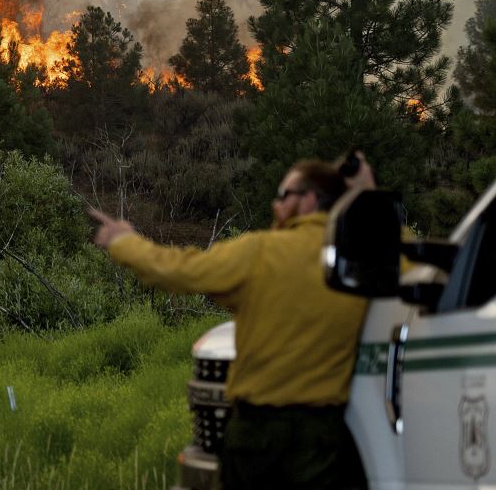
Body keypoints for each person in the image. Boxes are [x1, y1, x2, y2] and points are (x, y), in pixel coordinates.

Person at [89, 158, 371, 490]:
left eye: (283, 194)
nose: (274, 203)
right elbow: (417, 259)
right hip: (323, 436)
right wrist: (366, 196)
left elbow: (179, 270)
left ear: (309, 200)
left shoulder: (261, 252)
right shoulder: (368, 255)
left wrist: (124, 242)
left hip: (258, 432)